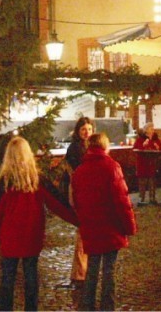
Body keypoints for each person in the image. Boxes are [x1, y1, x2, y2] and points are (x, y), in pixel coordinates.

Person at [0, 136, 80, 312]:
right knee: (31, 278)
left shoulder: (5, 183)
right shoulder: (37, 180)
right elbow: (58, 203)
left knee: (8, 278)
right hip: (32, 236)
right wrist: (79, 220)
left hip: (10, 238)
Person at [71, 133, 137, 311]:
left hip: (91, 227)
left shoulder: (79, 171)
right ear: (105, 147)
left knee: (92, 268)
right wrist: (129, 226)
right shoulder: (112, 167)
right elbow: (122, 200)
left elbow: (76, 201)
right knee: (109, 270)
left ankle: (87, 304)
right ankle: (108, 306)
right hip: (111, 227)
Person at [63, 117, 94, 289]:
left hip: (84, 190)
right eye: (83, 129)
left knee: (84, 230)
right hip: (79, 190)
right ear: (78, 131)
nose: (86, 132)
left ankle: (80, 270)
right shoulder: (75, 148)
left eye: (89, 129)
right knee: (83, 230)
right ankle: (81, 271)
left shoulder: (88, 147)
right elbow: (74, 172)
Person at [133, 122, 161, 204]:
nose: (153, 130)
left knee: (152, 181)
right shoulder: (140, 139)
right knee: (142, 181)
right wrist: (143, 145)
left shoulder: (156, 139)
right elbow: (135, 149)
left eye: (153, 128)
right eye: (151, 128)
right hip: (142, 163)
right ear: (146, 130)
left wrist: (158, 148)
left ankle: (152, 198)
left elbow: (160, 148)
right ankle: (142, 198)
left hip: (152, 163)